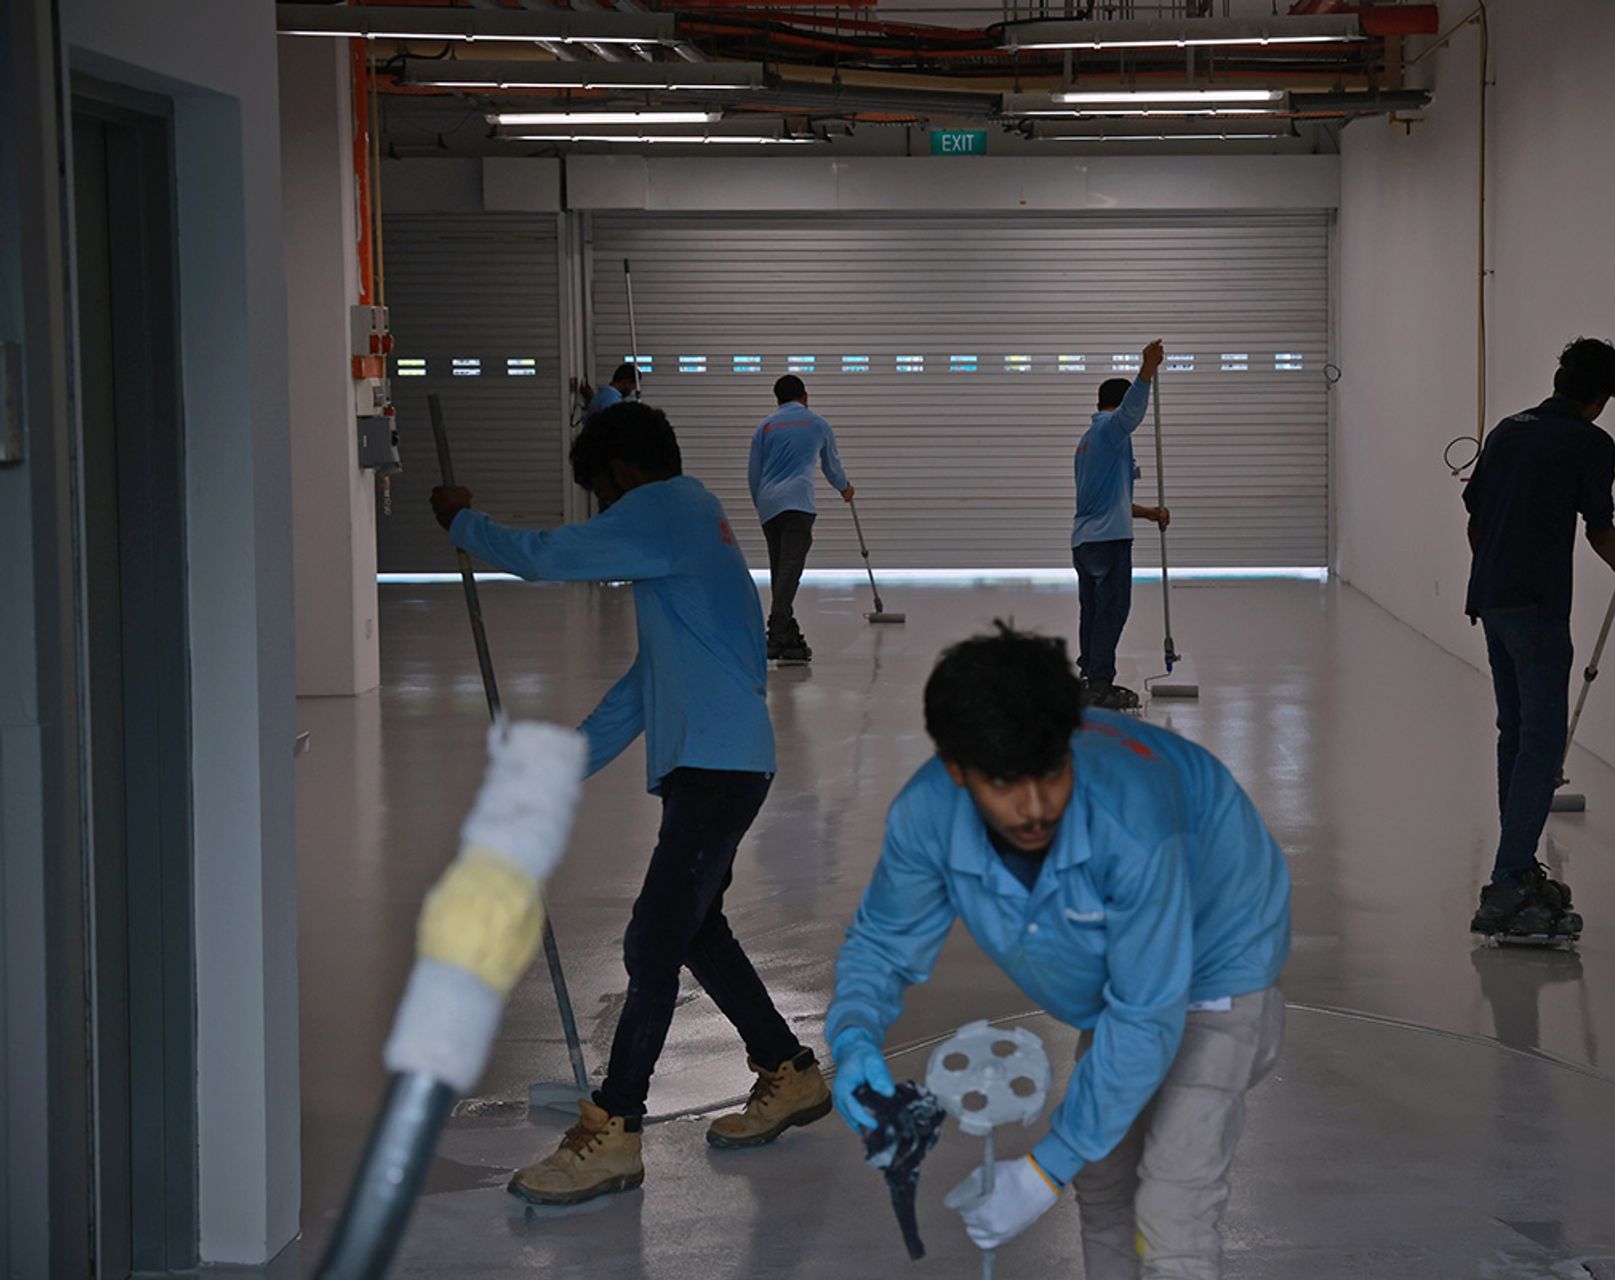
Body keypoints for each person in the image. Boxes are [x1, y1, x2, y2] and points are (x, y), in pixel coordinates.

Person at [429, 403, 831, 1207]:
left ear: (620, 475)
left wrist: (464, 523)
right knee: (693, 928)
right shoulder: (694, 526)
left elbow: (548, 558)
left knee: (653, 939)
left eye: (604, 499)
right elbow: (646, 686)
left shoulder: (667, 507)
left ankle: (615, 1129)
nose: (609, 519)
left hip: (718, 766)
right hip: (719, 763)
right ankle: (786, 1072)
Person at [825, 624, 1292, 1279]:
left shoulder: (1131, 823)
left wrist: (1044, 1169)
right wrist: (853, 1038)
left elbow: (1147, 1010)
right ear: (957, 772)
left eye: (1049, 774)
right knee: (1102, 1180)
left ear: (1069, 745)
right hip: (1125, 981)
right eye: (1005, 785)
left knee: (1172, 1199)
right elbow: (882, 942)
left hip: (1220, 957)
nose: (1035, 807)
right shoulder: (926, 815)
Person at [1463, 337, 1615, 937]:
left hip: (1491, 598)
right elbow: (1598, 525)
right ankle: (1509, 879)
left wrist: (1494, 574)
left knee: (1515, 733)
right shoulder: (1591, 443)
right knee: (1541, 744)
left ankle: (1515, 867)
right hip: (1539, 608)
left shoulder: (1508, 431)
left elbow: (1476, 513)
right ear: (1598, 395)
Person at [1073, 340, 1172, 711]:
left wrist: (1150, 514)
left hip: (1085, 543)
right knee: (1111, 611)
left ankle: (1089, 677)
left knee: (1094, 612)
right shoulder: (1110, 432)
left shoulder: (1087, 443)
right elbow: (1131, 413)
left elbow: (1106, 502)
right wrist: (1147, 369)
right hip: (1109, 543)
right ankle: (1100, 684)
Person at [747, 374, 853, 662]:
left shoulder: (765, 427)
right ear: (805, 397)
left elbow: (753, 473)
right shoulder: (817, 424)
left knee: (781, 570)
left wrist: (762, 503)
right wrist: (845, 488)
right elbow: (832, 466)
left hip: (769, 506)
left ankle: (788, 636)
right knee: (790, 570)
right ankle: (776, 629)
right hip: (798, 503)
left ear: (777, 400)